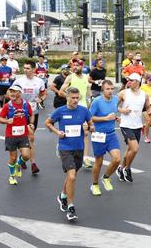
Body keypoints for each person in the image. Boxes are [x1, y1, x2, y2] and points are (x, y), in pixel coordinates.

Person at [45, 87, 95, 221]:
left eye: (77, 98)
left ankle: (62, 195)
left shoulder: (84, 110)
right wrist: (57, 132)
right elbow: (48, 123)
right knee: (72, 176)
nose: (75, 100)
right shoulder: (60, 111)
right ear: (67, 97)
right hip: (65, 147)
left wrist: (89, 128)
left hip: (79, 147)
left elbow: (91, 125)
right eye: (72, 98)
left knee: (71, 176)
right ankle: (71, 207)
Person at [117, 73, 151, 182]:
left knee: (130, 150)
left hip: (137, 125)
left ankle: (121, 168)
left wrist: (150, 112)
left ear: (138, 82)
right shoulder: (123, 93)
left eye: (131, 80)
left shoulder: (144, 95)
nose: (129, 82)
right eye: (128, 80)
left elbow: (148, 107)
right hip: (125, 125)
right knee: (135, 148)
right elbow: (113, 105)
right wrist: (122, 110)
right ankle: (127, 169)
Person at [13, 60, 47, 174]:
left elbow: (44, 93)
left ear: (33, 69)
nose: (25, 70)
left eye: (28, 68)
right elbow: (11, 93)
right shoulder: (19, 81)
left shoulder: (39, 81)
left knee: (28, 138)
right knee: (29, 137)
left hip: (34, 112)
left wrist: (41, 99)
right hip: (21, 113)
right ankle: (33, 164)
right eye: (25, 68)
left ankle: (22, 158)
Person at [59, 59, 93, 169]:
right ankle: (62, 147)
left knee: (85, 132)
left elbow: (89, 93)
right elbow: (61, 92)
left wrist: (90, 103)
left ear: (82, 67)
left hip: (82, 108)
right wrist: (71, 98)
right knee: (70, 130)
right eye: (74, 65)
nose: (75, 67)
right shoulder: (70, 77)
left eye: (77, 65)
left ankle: (86, 158)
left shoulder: (86, 78)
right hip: (71, 108)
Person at [0, 84, 34, 185]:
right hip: (11, 136)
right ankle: (12, 176)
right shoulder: (7, 106)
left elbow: (31, 115)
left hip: (23, 135)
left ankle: (18, 165)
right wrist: (6, 121)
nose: (12, 93)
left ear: (20, 93)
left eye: (15, 91)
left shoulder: (26, 104)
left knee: (26, 156)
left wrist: (31, 123)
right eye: (11, 91)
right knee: (13, 158)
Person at [89, 80, 121, 196]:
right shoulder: (97, 101)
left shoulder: (116, 99)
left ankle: (106, 177)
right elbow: (90, 117)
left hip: (111, 134)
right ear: (102, 90)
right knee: (99, 162)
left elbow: (112, 113)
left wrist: (116, 118)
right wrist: (105, 118)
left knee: (117, 159)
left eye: (112, 89)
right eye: (107, 89)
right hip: (99, 135)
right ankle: (95, 184)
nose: (110, 91)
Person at [140, 73, 151, 143]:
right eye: (149, 80)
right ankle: (147, 137)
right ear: (146, 80)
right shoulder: (143, 87)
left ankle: (143, 127)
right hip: (144, 106)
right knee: (148, 121)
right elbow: (138, 94)